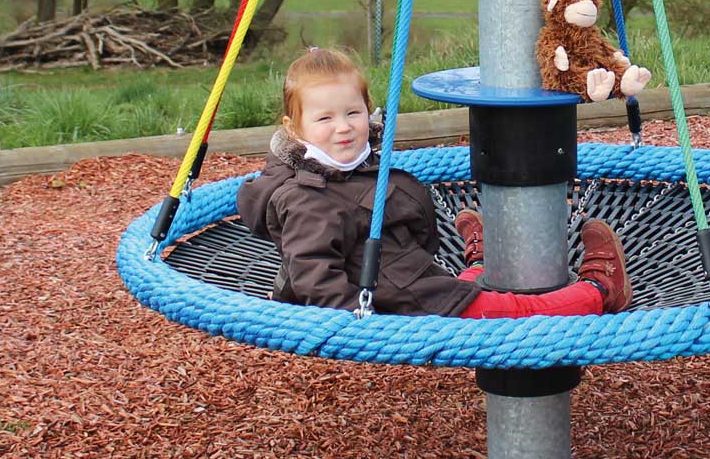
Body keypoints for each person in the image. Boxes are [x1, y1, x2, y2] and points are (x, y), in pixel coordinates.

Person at [236, 46, 631, 321]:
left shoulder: (345, 166)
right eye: (325, 119)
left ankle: (478, 266)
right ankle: (599, 292)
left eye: (352, 112)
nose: (343, 128)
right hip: (394, 304)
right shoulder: (308, 198)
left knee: (458, 290)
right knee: (515, 312)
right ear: (294, 128)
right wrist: (359, 320)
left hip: (407, 283)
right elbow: (311, 275)